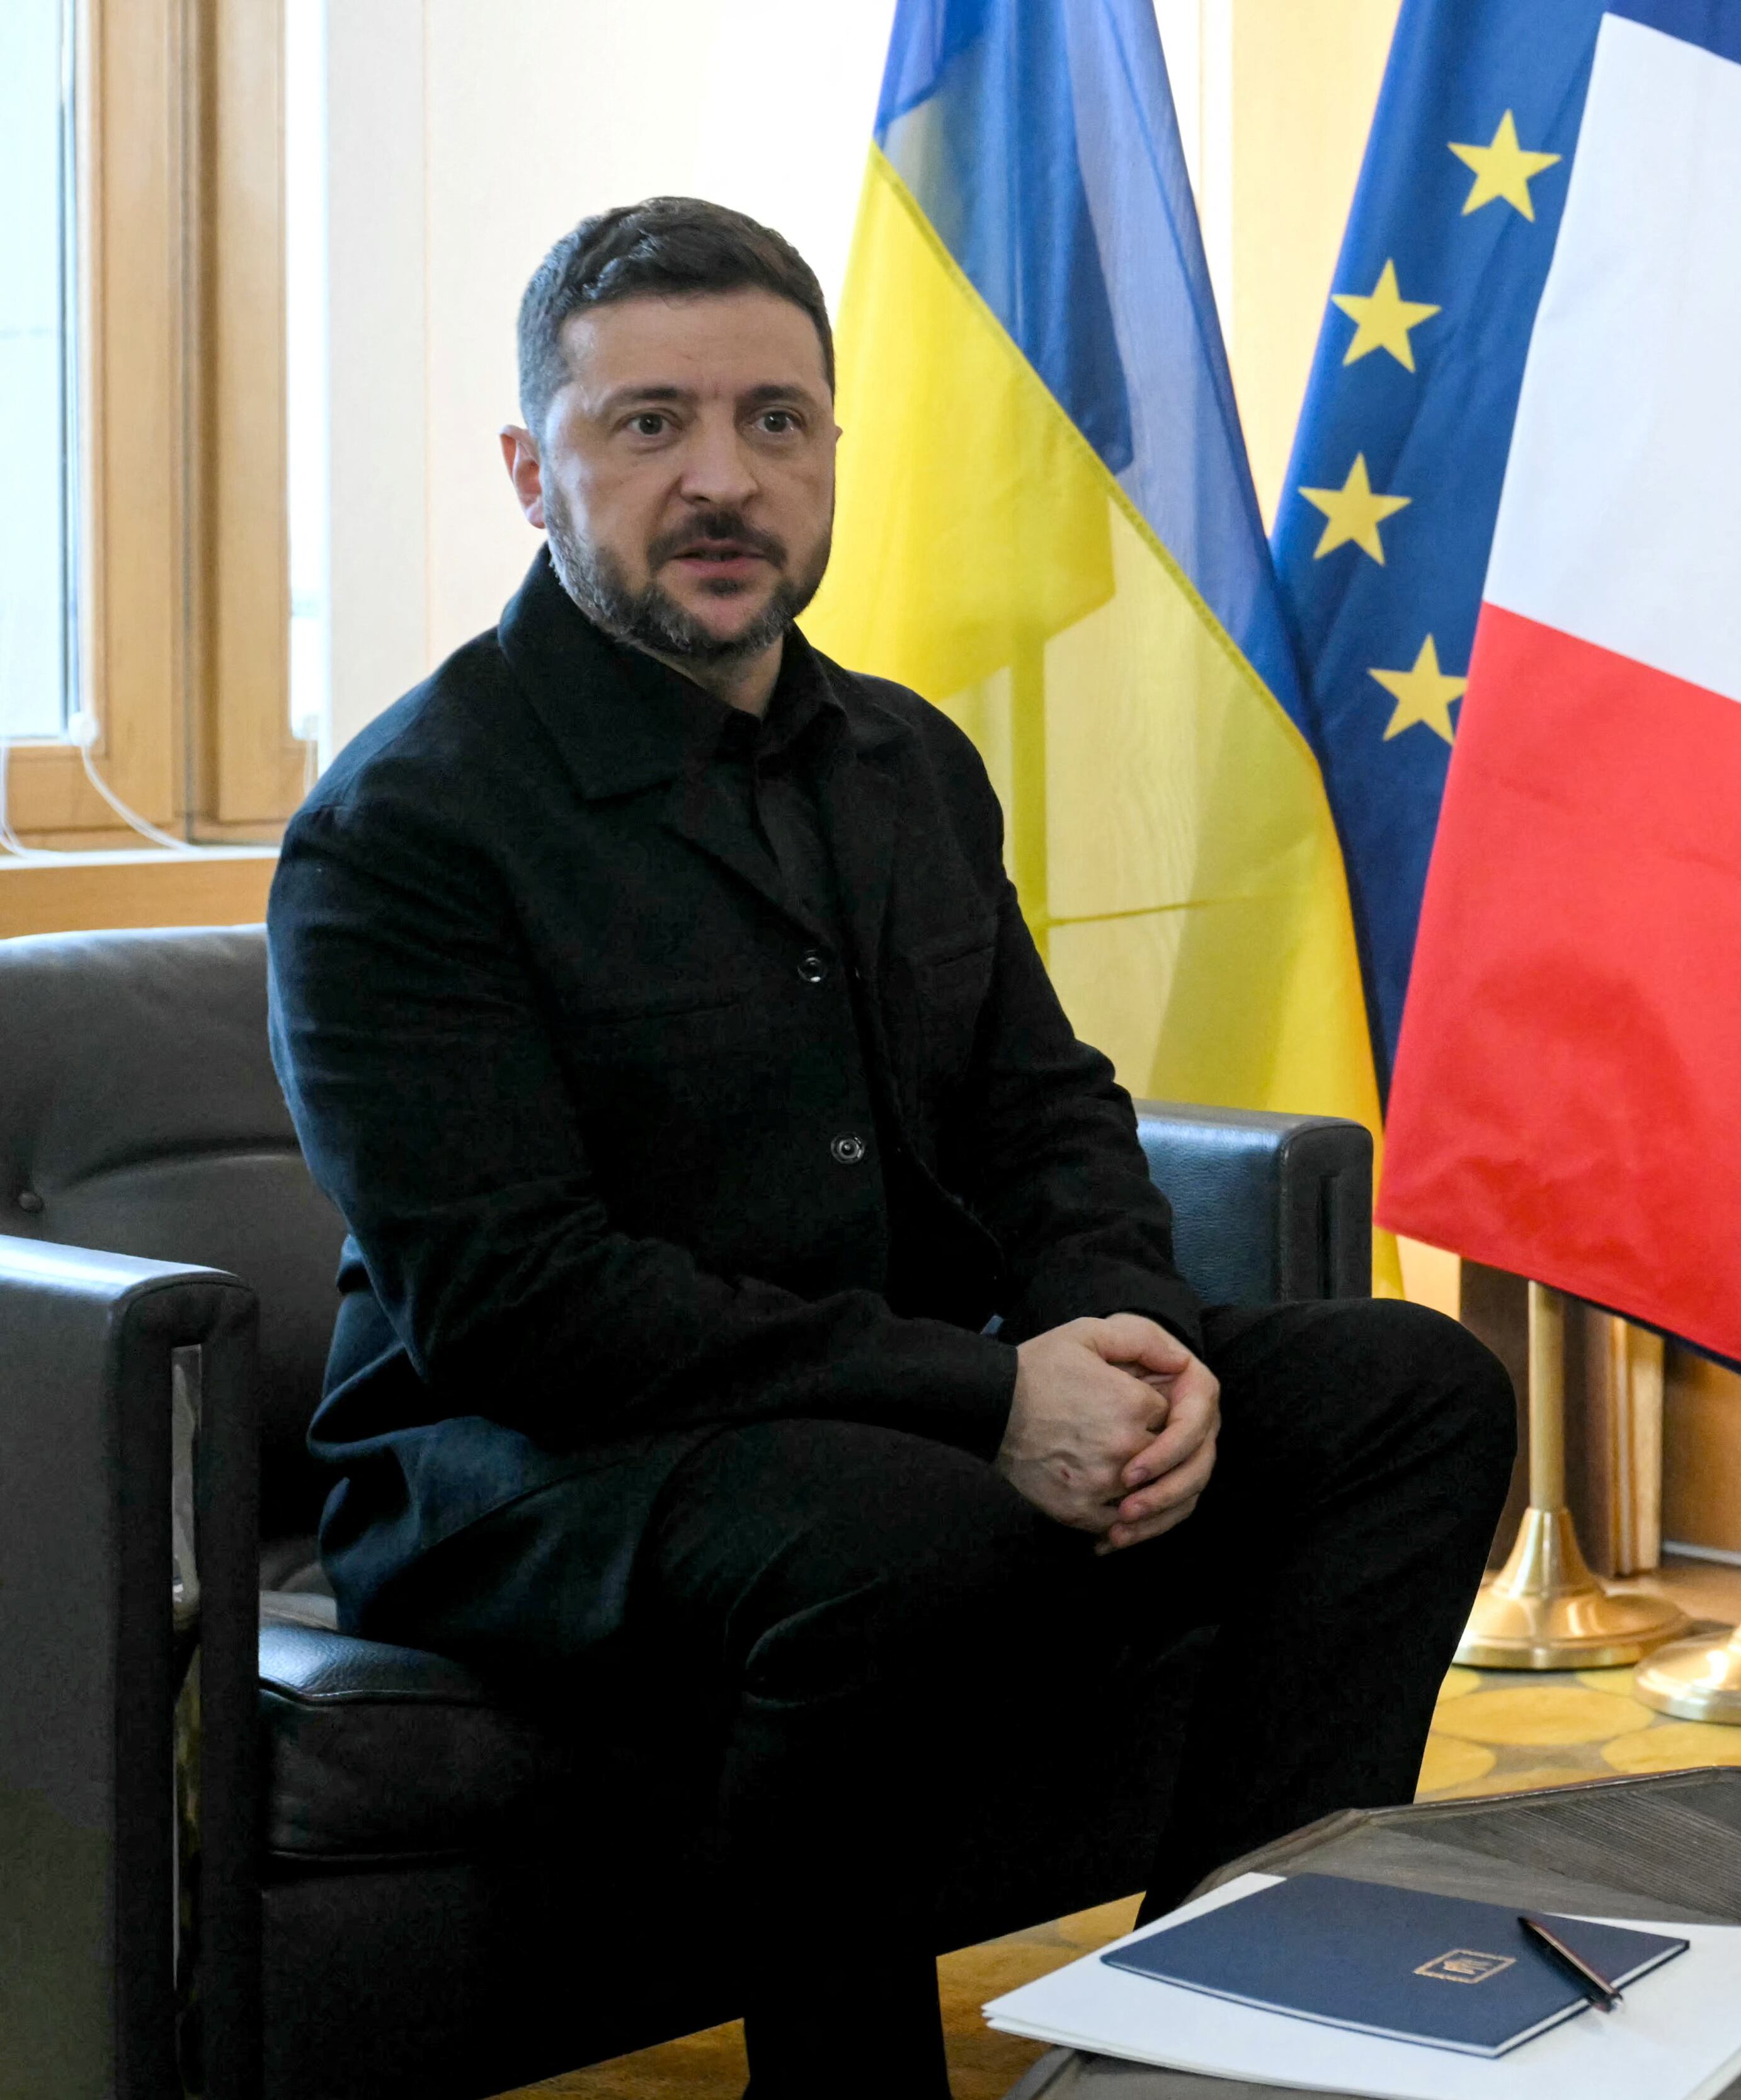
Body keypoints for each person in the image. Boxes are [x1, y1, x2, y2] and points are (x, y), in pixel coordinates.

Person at [265, 197, 1514, 2098]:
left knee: (1409, 1388)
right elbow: (520, 1306)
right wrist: (987, 1399)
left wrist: (1124, 1335)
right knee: (911, 1530)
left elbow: (1042, 1109)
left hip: (876, 1394)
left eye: (776, 423)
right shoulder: (407, 829)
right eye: (649, 423)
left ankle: (1221, 2021)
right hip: (514, 1463)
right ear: (534, 469)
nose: (722, 481)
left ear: (832, 454)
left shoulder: (906, 758)